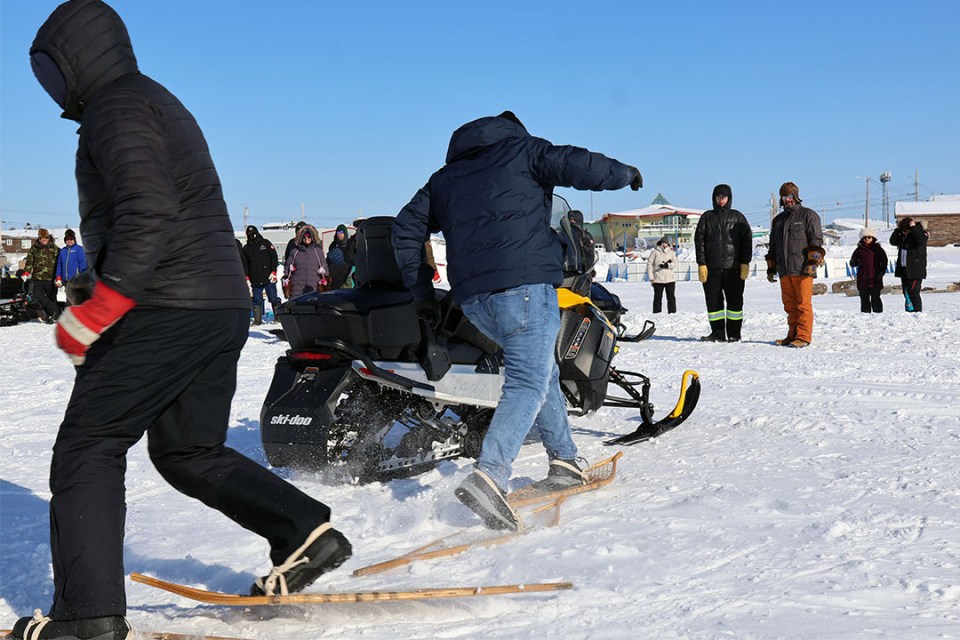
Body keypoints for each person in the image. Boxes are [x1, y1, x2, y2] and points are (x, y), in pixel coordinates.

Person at [17, 2, 351, 638]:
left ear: (76, 59)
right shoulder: (147, 101)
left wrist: (103, 308)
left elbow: (149, 208)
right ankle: (302, 529)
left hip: (168, 305)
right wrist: (94, 288)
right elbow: (146, 219)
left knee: (90, 444)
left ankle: (87, 618)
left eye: (51, 72)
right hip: (216, 303)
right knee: (188, 450)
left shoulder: (116, 107)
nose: (52, 89)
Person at [392, 110, 643, 531]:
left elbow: (404, 230)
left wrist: (421, 294)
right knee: (527, 381)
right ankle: (490, 476)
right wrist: (625, 174)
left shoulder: (444, 178)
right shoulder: (523, 152)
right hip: (524, 288)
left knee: (540, 372)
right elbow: (577, 164)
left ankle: (564, 459)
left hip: (473, 299)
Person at [764, 182, 824, 348]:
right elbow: (773, 246)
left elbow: (816, 242)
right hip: (785, 270)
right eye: (784, 197)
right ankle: (792, 335)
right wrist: (771, 267)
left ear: (796, 197)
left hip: (802, 269)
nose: (788, 200)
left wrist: (812, 265)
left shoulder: (808, 216)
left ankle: (804, 336)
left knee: (803, 304)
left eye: (790, 196)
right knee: (789, 306)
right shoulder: (778, 221)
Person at [694, 184, 752, 342]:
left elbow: (747, 241)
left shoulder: (738, 217)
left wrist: (745, 263)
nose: (721, 200)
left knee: (735, 303)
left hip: (733, 268)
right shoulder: (707, 217)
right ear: (714, 198)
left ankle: (734, 334)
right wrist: (702, 263)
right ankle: (717, 333)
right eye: (718, 196)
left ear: (729, 198)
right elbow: (699, 242)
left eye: (724, 197)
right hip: (711, 269)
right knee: (714, 304)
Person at [242, 225, 281, 324]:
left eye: (253, 233)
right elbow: (245, 264)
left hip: (268, 277)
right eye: (249, 234)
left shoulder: (265, 243)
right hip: (255, 279)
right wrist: (246, 277)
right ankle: (257, 320)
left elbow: (274, 257)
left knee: (273, 297)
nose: (252, 236)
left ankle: (278, 317)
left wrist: (273, 271)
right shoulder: (246, 249)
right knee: (257, 300)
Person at [889, 217, 928, 312]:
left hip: (915, 270)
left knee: (913, 292)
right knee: (906, 292)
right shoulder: (903, 237)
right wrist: (898, 229)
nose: (904, 233)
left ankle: (917, 312)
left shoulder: (920, 233)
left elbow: (921, 241)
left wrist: (914, 228)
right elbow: (892, 241)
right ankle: (909, 311)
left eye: (906, 230)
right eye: (903, 231)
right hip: (904, 270)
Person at [22, 227, 61, 323]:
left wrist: (59, 277)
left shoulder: (55, 248)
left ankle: (51, 316)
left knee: (52, 297)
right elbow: (29, 261)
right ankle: (55, 312)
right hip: (38, 278)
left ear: (48, 238)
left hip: (51, 278)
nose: (44, 240)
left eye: (46, 238)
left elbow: (60, 263)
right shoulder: (34, 248)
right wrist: (26, 272)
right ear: (39, 238)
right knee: (38, 296)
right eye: (42, 238)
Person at [849, 227, 888, 313]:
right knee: (864, 300)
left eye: (869, 237)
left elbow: (884, 261)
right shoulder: (859, 250)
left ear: (873, 238)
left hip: (875, 278)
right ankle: (866, 319)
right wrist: (856, 262)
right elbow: (852, 263)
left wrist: (881, 272)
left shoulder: (878, 249)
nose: (867, 239)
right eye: (865, 238)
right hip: (862, 279)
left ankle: (878, 317)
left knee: (876, 299)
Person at [283, 223, 329, 296]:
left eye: (309, 236)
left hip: (313, 288)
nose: (306, 238)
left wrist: (324, 282)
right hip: (297, 289)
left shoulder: (318, 252)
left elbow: (325, 268)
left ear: (312, 237)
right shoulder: (294, 252)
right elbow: (287, 268)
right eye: (304, 237)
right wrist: (286, 283)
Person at [54, 229, 89, 306]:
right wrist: (58, 278)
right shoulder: (63, 251)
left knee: (77, 299)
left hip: (76, 279)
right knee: (69, 299)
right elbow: (59, 265)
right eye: (67, 239)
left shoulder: (79, 249)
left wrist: (81, 277)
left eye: (71, 239)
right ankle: (71, 314)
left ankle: (80, 315)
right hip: (66, 280)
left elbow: (83, 264)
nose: (69, 241)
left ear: (74, 239)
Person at [646, 235, 677, 314]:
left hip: (669, 279)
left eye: (666, 243)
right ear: (660, 243)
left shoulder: (671, 252)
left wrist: (668, 265)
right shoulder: (655, 252)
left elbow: (676, 263)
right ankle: (657, 313)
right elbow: (649, 264)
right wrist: (651, 277)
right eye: (663, 243)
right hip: (658, 279)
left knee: (671, 298)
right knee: (657, 298)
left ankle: (672, 313)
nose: (664, 245)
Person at [326, 224, 355, 289]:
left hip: (346, 276)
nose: (339, 234)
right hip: (334, 277)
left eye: (341, 232)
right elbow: (328, 260)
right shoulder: (333, 246)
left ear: (345, 233)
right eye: (338, 232)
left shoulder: (350, 245)